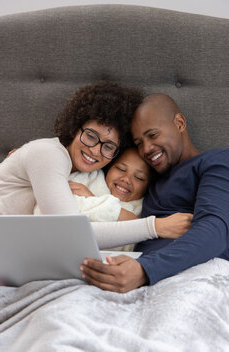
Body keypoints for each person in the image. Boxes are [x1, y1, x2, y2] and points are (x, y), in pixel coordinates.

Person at [0, 83, 191, 276]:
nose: (95, 150)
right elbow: (71, 235)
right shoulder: (49, 154)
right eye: (91, 136)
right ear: (75, 128)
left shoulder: (86, 175)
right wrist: (155, 227)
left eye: (109, 146)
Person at [80, 93, 229, 293]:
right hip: (133, 275)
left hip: (187, 276)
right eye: (139, 142)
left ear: (179, 123)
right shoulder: (148, 177)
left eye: (152, 135)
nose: (147, 149)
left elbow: (214, 231)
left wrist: (144, 269)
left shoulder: (216, 162)